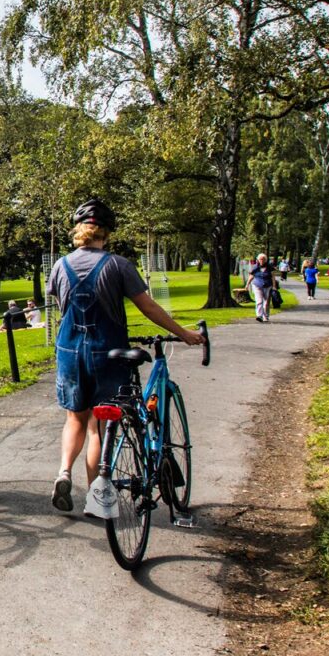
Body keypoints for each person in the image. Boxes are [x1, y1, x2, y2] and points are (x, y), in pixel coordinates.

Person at [47, 199, 204, 513]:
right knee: (97, 427)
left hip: (69, 352)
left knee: (74, 418)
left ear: (78, 231)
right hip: (107, 352)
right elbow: (148, 307)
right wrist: (184, 333)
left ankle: (64, 471)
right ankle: (96, 500)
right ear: (106, 232)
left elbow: (62, 306)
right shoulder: (117, 265)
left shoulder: (60, 265)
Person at [249, 253, 275, 323]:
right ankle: (259, 315)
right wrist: (247, 284)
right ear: (258, 260)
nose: (262, 260)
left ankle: (265, 316)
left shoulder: (269, 267)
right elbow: (251, 276)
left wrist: (274, 286)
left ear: (266, 260)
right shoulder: (255, 267)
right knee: (259, 301)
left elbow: (273, 277)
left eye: (263, 259)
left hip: (268, 285)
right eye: (260, 259)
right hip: (257, 285)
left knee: (266, 302)